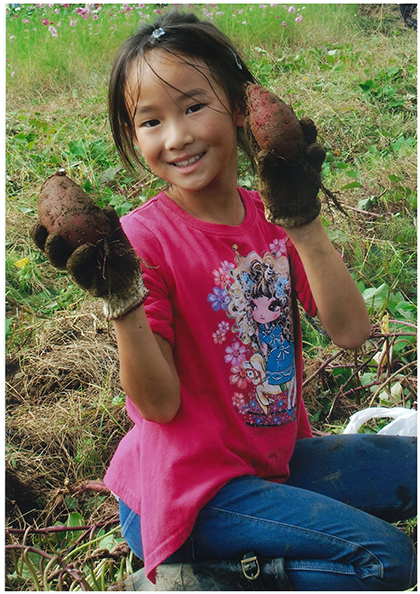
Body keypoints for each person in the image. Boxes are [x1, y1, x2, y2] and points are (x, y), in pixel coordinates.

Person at [33, 10, 417, 591]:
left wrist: (303, 223)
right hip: (187, 493)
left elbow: (351, 331)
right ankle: (196, 579)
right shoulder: (145, 240)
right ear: (134, 137)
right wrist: (122, 301)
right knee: (386, 560)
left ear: (240, 108)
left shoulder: (270, 212)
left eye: (192, 107)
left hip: (267, 465)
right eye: (150, 121)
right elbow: (159, 407)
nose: (176, 136)